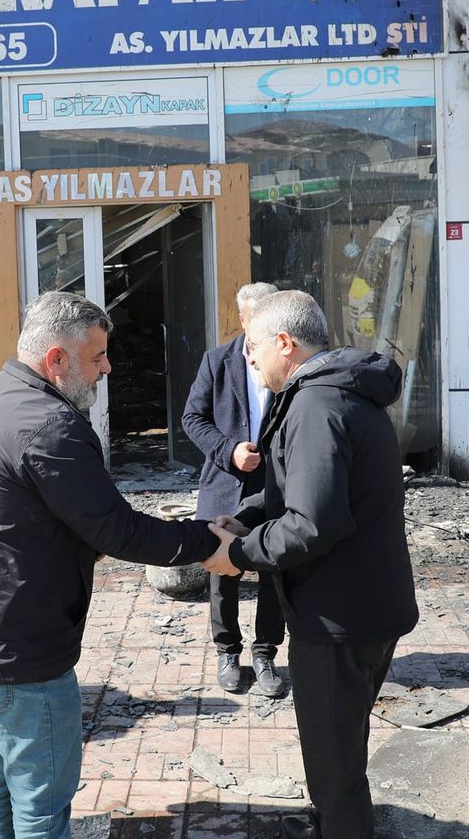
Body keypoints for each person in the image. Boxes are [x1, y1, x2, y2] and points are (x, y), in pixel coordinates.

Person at [0, 291, 223, 839]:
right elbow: (117, 528)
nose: (108, 367)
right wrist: (207, 542)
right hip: (20, 651)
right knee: (41, 806)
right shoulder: (49, 426)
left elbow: (30, 517)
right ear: (56, 360)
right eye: (96, 357)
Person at [205, 290, 418, 839]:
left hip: (336, 621)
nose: (246, 357)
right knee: (343, 752)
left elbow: (312, 523)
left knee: (335, 775)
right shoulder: (337, 391)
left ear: (285, 343)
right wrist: (245, 517)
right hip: (367, 606)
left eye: (252, 346)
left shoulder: (317, 406)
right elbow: (299, 489)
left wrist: (237, 555)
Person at [181, 281, 286, 697]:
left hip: (274, 483)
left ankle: (265, 653)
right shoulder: (217, 361)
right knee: (221, 570)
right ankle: (228, 651)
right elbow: (193, 418)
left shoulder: (287, 359)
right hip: (225, 481)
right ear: (241, 318)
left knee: (275, 569)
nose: (257, 321)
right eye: (251, 314)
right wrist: (228, 451)